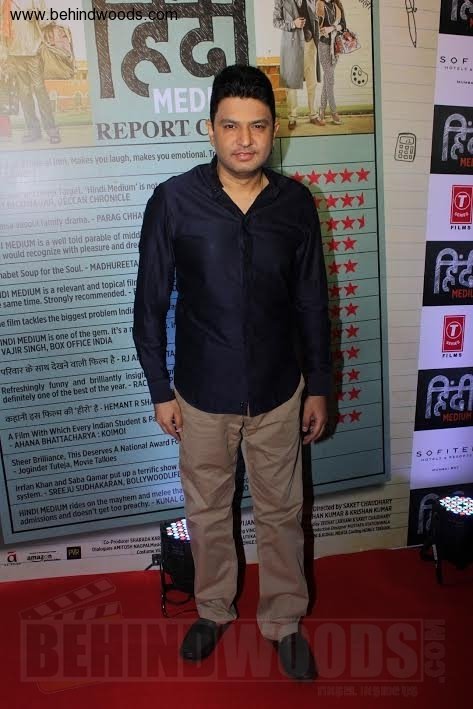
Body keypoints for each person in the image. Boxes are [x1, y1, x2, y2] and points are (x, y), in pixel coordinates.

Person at [133, 64, 331, 681]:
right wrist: (160, 389)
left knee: (282, 513)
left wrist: (319, 386)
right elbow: (148, 304)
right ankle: (213, 610)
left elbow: (312, 303)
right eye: (231, 126)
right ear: (210, 129)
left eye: (258, 126)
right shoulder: (174, 200)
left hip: (279, 391)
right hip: (201, 394)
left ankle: (284, 621)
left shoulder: (296, 204)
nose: (245, 140)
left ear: (275, 129)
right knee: (207, 512)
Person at [1, 0, 60, 143]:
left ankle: (52, 130)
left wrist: (37, 16)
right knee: (24, 93)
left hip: (34, 51)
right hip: (14, 53)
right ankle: (33, 130)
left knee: (40, 90)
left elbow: (47, 18)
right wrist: (4, 53)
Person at [273, 0, 324, 130]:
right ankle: (292, 117)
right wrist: (293, 24)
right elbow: (276, 21)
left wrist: (318, 30)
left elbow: (314, 18)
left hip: (309, 44)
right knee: (291, 83)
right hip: (292, 45)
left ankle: (313, 114)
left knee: (312, 82)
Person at [316, 0, 346, 125]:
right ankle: (333, 111)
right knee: (330, 78)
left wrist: (332, 28)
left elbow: (343, 25)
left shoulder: (337, 5)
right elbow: (315, 26)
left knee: (328, 78)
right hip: (323, 44)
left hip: (336, 45)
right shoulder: (318, 4)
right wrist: (321, 30)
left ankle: (321, 110)